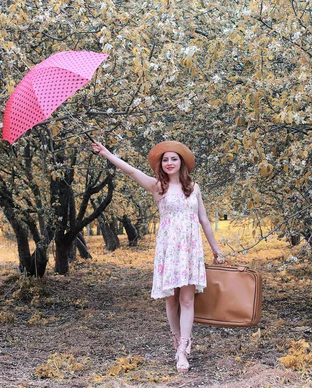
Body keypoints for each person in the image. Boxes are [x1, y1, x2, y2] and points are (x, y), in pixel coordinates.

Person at [91, 140, 223, 373]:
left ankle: (184, 348)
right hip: (169, 250)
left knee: (187, 300)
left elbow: (204, 219)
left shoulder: (194, 187)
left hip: (190, 250)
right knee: (171, 299)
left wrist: (216, 250)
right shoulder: (157, 186)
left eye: (173, 158)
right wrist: (106, 153)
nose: (169, 162)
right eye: (165, 159)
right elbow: (130, 170)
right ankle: (176, 339)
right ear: (160, 165)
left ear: (181, 162)